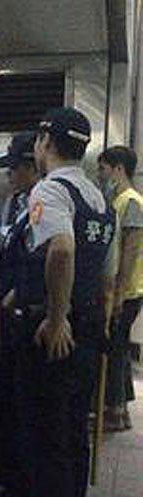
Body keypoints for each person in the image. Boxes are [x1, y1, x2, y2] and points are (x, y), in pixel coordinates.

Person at [11, 108, 114, 497]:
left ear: (46, 142)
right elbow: (106, 274)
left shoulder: (50, 190)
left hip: (53, 334)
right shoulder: (99, 197)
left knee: (44, 439)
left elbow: (62, 248)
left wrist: (56, 317)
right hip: (86, 328)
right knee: (72, 435)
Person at [0, 132, 40, 497]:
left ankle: (19, 496)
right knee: (6, 407)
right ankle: (8, 488)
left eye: (14, 169)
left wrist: (14, 296)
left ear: (33, 166)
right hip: (9, 315)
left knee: (20, 411)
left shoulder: (45, 202)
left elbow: (46, 255)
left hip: (24, 317)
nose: (9, 176)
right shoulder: (17, 201)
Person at [98, 145, 143, 431]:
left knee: (114, 349)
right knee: (120, 348)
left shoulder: (131, 202)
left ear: (118, 169)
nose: (101, 175)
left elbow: (130, 251)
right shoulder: (119, 200)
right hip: (124, 291)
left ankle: (113, 411)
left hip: (126, 292)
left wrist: (117, 295)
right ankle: (120, 409)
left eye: (103, 169)